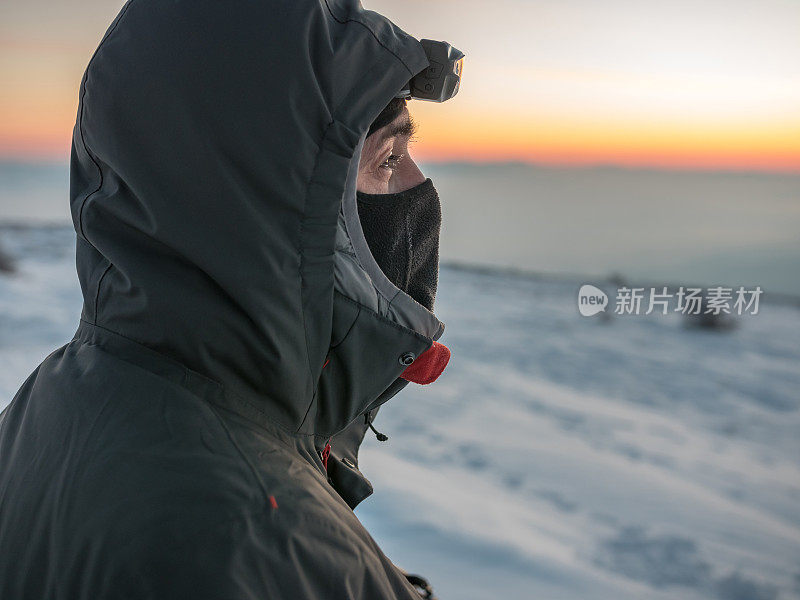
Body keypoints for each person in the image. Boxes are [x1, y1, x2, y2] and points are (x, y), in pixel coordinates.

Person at [0, 1, 457, 599]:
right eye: (389, 158)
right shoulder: (269, 553)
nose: (418, 187)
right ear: (276, 209)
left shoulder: (48, 406)